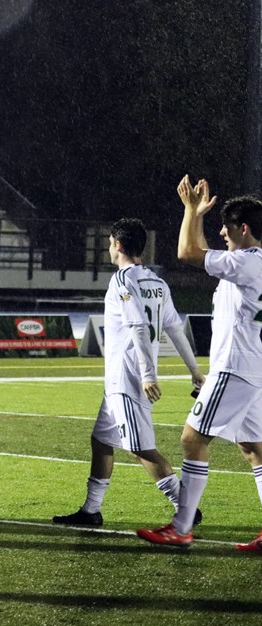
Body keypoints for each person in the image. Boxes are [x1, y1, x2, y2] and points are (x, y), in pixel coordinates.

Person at [53, 218, 204, 527]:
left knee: (140, 448)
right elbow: (175, 327)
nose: (109, 248)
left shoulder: (122, 280)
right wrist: (194, 370)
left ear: (118, 245)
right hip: (120, 381)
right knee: (101, 440)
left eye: (110, 243)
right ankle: (91, 510)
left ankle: (186, 506)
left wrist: (148, 374)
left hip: (128, 378)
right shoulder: (157, 282)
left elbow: (137, 324)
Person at [138, 176, 262, 550]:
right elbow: (205, 252)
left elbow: (188, 253)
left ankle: (182, 526)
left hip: (234, 366)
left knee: (192, 439)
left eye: (226, 226)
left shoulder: (245, 263)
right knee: (254, 447)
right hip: (252, 366)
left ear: (243, 229)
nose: (221, 231)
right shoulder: (249, 263)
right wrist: (197, 218)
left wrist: (191, 211)